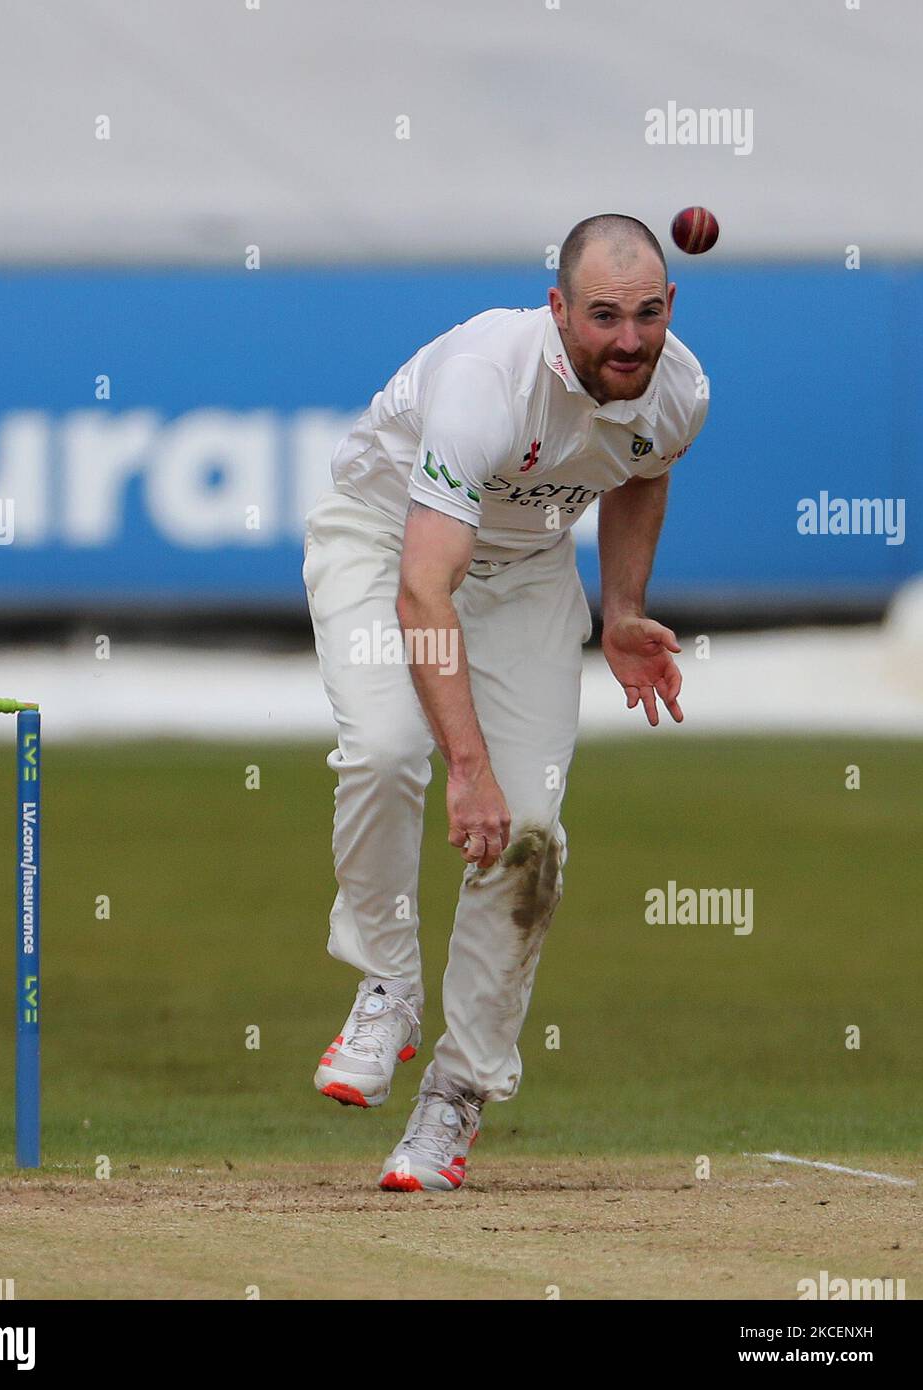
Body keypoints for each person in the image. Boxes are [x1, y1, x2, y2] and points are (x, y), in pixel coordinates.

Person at [302, 214, 709, 1191]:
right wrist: (467, 771)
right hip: (386, 544)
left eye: (647, 314)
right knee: (390, 750)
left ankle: (456, 1094)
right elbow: (422, 591)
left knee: (530, 837)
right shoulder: (490, 382)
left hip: (529, 575)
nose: (627, 339)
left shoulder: (680, 391)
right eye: (603, 315)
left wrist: (619, 610)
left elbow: (641, 470)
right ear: (556, 307)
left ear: (670, 308)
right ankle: (387, 984)